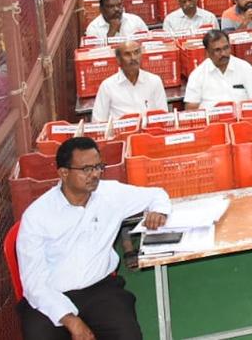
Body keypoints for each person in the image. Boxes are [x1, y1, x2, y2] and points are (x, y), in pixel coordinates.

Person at [17, 137, 170, 339]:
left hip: (100, 289)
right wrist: (70, 319)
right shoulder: (37, 216)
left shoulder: (110, 194)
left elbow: (157, 195)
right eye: (87, 169)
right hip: (51, 295)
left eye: (99, 167)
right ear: (63, 173)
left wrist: (158, 211)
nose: (96, 174)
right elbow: (34, 283)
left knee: (128, 335)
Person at [91, 41, 168, 122]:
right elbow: (98, 121)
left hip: (150, 132)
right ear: (118, 60)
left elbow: (164, 116)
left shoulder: (154, 81)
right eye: (127, 54)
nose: (133, 58)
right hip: (121, 133)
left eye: (136, 52)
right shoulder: (107, 86)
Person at [184, 29, 252, 109]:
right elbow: (191, 108)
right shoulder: (197, 74)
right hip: (211, 119)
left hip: (241, 118)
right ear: (207, 53)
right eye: (217, 50)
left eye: (226, 48)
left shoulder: (245, 68)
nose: (223, 53)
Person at [84, 0, 148, 39]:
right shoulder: (93, 28)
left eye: (119, 5)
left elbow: (148, 41)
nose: (116, 9)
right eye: (111, 6)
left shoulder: (135, 20)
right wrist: (111, 33)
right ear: (101, 9)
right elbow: (94, 53)